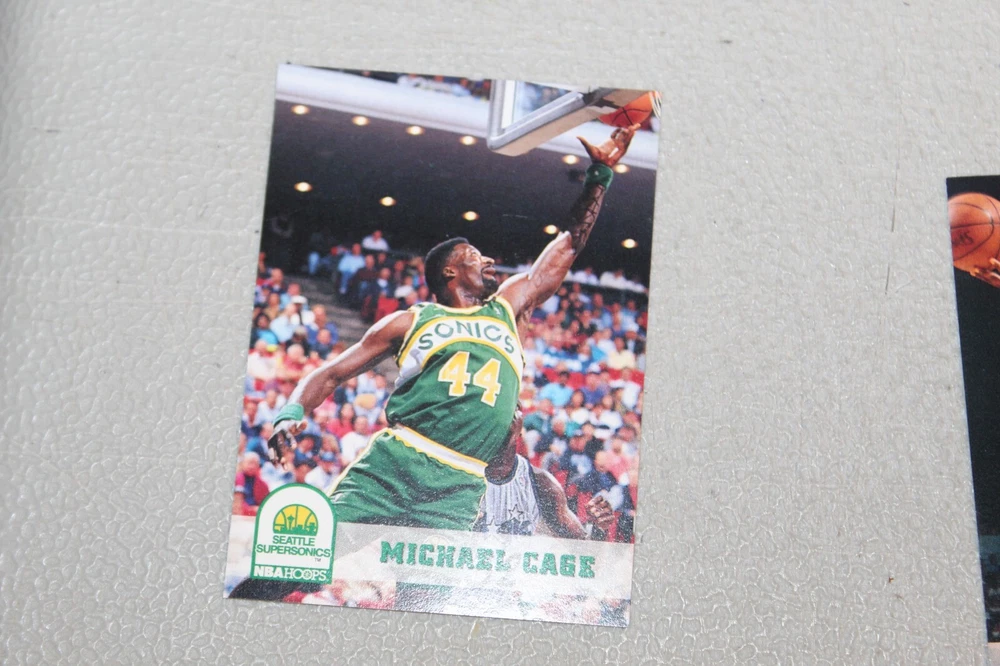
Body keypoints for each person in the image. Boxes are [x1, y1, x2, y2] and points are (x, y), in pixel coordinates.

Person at [269, 125, 637, 530]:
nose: (489, 260)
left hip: (461, 481)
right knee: (318, 548)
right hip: (397, 462)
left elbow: (568, 245)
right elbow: (332, 372)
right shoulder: (413, 319)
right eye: (475, 256)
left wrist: (599, 176)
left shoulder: (507, 309)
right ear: (450, 271)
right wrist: (290, 413)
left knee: (429, 573)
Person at [474, 411, 614, 539]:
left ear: (520, 426)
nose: (504, 419)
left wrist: (599, 528)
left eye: (512, 409)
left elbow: (582, 545)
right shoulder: (466, 474)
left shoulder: (541, 482)